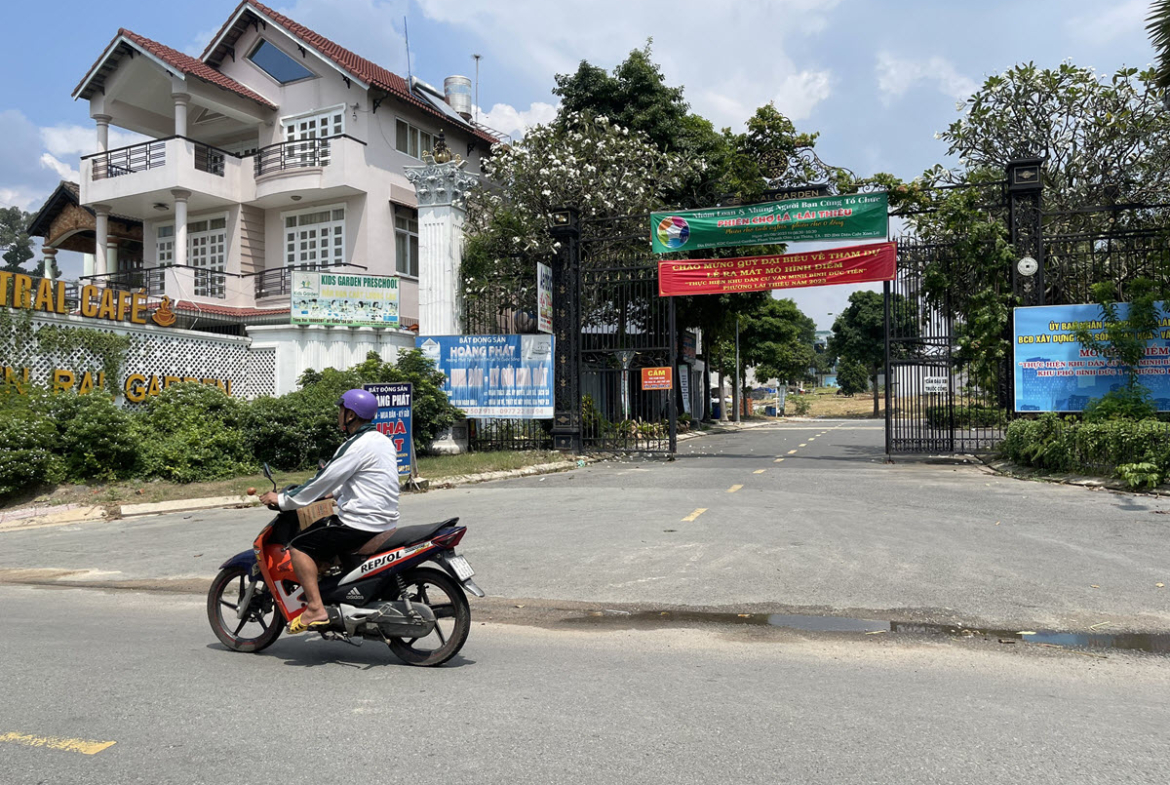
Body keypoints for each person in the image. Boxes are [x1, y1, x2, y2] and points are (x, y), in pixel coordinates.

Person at [259, 388, 399, 633]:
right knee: (323, 536)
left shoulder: (356, 445)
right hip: (384, 522)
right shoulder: (382, 440)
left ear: (351, 415)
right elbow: (365, 481)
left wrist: (282, 499)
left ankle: (315, 608)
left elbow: (321, 479)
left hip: (361, 523)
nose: (339, 414)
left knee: (300, 546)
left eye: (341, 410)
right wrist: (333, 494)